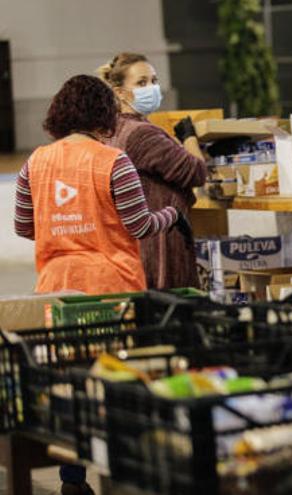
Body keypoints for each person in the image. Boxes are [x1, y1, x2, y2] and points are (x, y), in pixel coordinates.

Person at [14, 74, 188, 494]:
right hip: (112, 289)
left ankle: (72, 480)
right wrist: (174, 215)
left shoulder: (34, 162)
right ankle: (121, 474)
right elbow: (140, 225)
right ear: (104, 115)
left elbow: (24, 226)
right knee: (116, 382)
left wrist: (64, 232)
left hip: (58, 289)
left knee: (70, 383)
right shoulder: (112, 161)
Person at [97, 52, 208, 289]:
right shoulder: (142, 134)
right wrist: (189, 137)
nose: (152, 88)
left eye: (154, 81)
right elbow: (197, 172)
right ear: (119, 92)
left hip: (134, 243)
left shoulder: (112, 129)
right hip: (160, 241)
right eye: (141, 83)